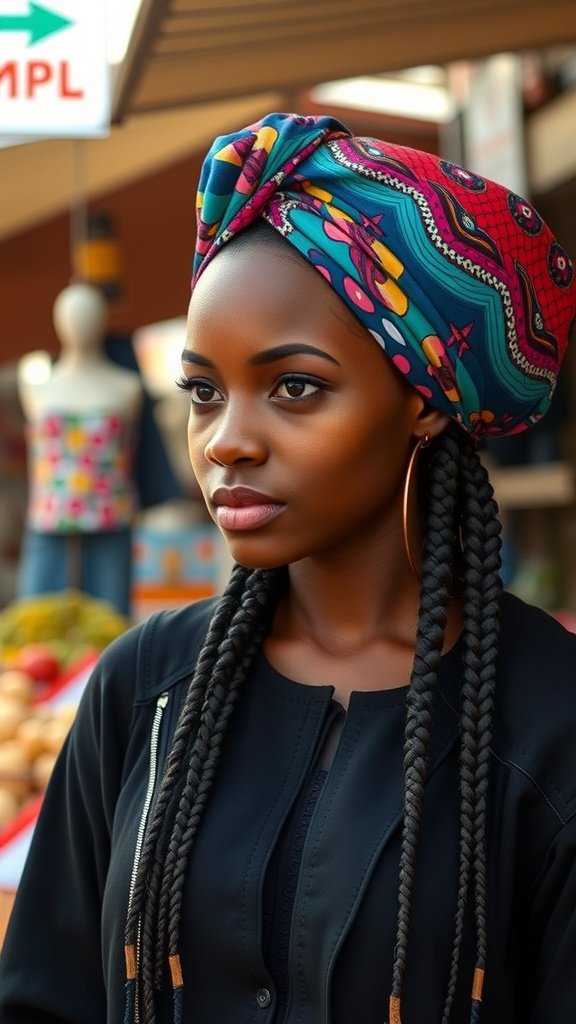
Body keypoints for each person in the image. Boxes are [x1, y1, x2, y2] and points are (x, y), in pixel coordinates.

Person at [1, 112, 575, 1024]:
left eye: (294, 386)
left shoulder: (552, 720)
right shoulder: (144, 690)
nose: (224, 442)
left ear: (425, 401)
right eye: (203, 391)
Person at [17, 282, 142, 615]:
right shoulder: (36, 389)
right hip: (49, 514)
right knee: (37, 619)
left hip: (110, 512)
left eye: (88, 314)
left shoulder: (127, 386)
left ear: (103, 321)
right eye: (71, 315)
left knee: (111, 622)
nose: (79, 323)